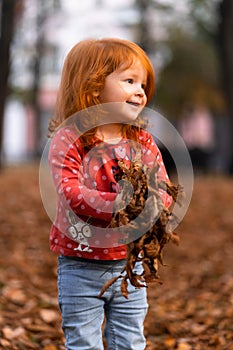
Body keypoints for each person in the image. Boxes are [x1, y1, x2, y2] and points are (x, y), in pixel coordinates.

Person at [48, 38, 172, 350]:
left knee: (130, 340)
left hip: (131, 265)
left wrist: (155, 204)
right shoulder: (71, 140)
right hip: (80, 264)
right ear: (93, 90)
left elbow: (162, 188)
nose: (140, 91)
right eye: (129, 81)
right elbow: (71, 194)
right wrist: (121, 204)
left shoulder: (142, 141)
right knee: (83, 342)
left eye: (142, 83)